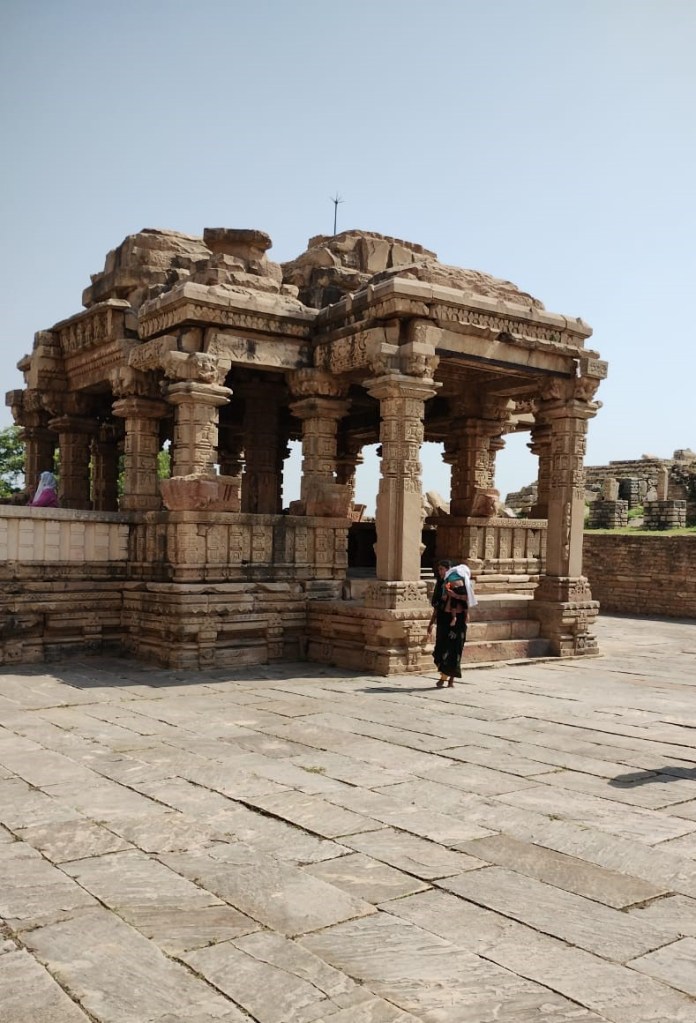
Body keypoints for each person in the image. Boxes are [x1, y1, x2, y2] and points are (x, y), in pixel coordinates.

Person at [426, 559, 477, 687]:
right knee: (440, 650)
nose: (440, 572)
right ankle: (444, 675)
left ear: (449, 570)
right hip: (443, 620)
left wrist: (455, 595)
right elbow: (437, 605)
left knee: (455, 650)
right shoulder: (441, 585)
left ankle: (448, 679)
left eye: (442, 569)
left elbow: (468, 598)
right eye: (438, 570)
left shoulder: (460, 582)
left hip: (458, 621)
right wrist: (431, 622)